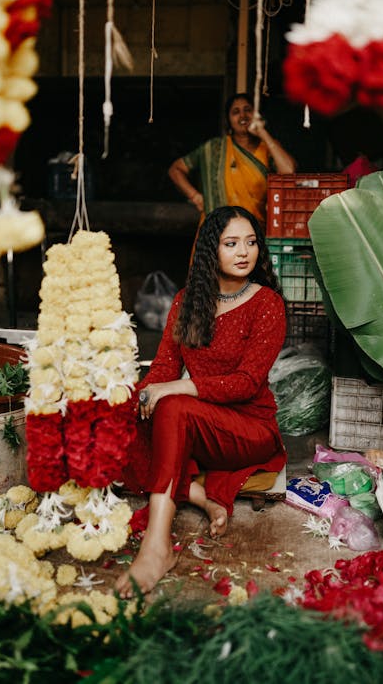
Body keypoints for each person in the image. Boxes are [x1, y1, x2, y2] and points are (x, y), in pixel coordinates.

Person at [116, 205, 287, 598]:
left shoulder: (267, 305)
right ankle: (204, 499)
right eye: (231, 244)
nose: (244, 252)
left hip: (250, 430)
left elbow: (245, 384)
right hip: (202, 424)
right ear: (212, 251)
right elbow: (163, 370)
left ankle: (157, 547)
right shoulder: (186, 301)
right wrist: (138, 396)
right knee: (122, 419)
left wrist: (174, 390)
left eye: (251, 242)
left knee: (172, 406)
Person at [168, 93, 296, 233]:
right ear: (228, 120)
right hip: (215, 236)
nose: (242, 116)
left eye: (248, 110)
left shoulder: (267, 148)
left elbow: (288, 171)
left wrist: (263, 133)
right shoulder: (214, 148)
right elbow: (176, 170)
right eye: (236, 112)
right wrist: (195, 197)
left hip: (253, 234)